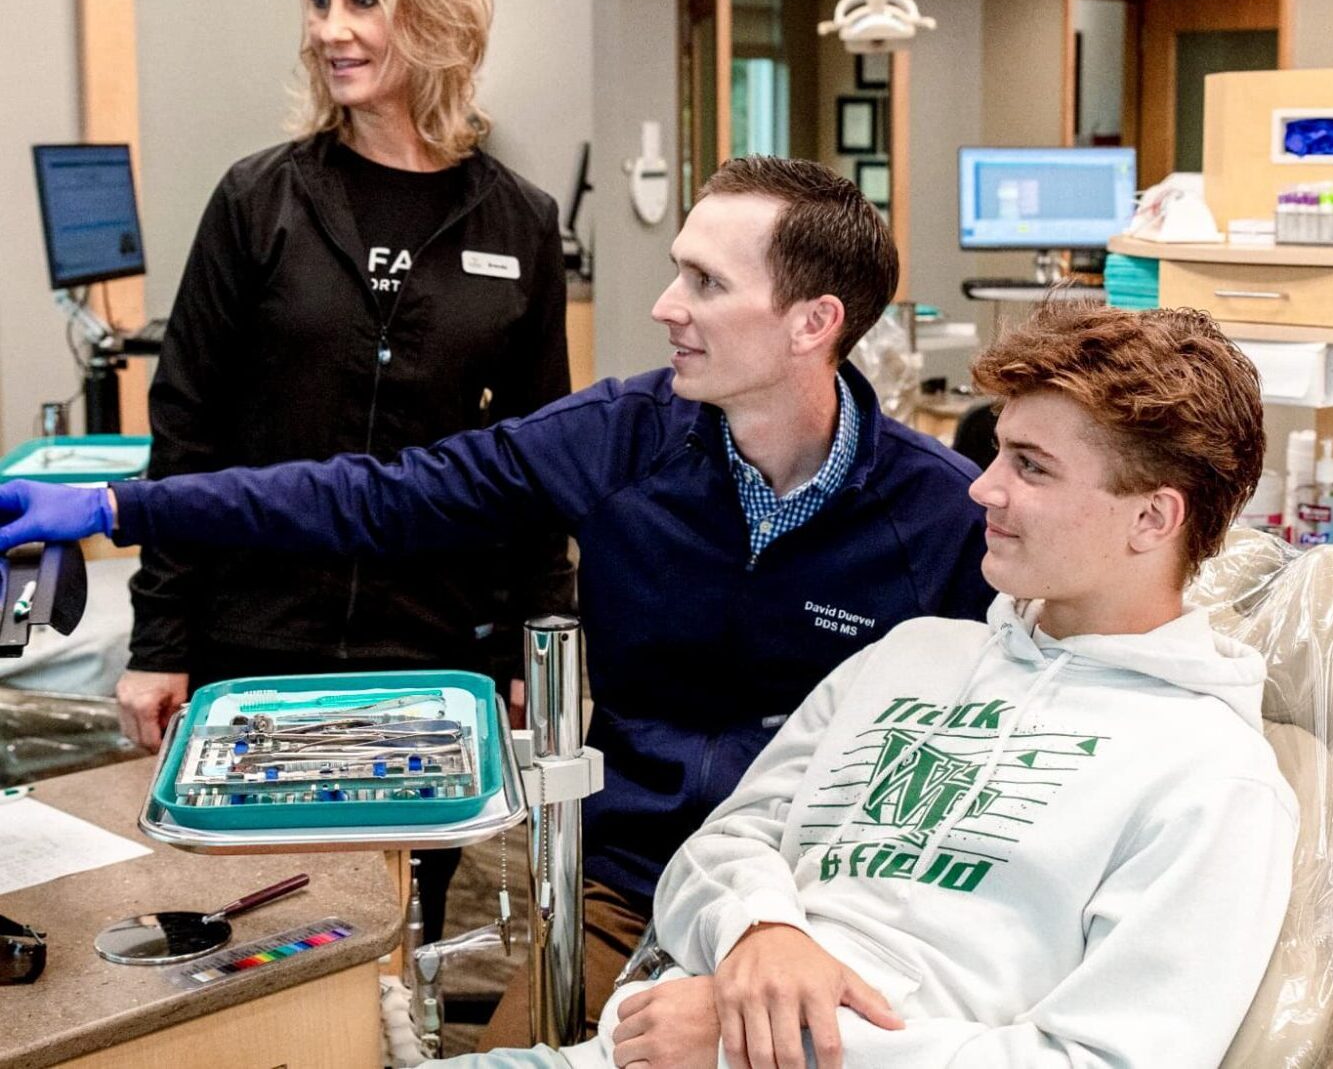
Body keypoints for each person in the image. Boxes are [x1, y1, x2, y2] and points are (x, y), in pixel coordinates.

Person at [0, 155, 991, 1036]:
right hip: (633, 889)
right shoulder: (618, 437)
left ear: (813, 323)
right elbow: (373, 497)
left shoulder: (941, 517)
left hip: (836, 901)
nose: (663, 305)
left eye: (704, 281)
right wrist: (115, 503)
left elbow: (988, 746)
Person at [443, 301, 1293, 1069]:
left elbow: (1101, 1060)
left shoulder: (1211, 777)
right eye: (997, 451)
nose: (981, 487)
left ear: (1153, 516)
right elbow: (719, 845)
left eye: (1030, 468)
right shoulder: (915, 654)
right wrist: (762, 931)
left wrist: (761, 1040)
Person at [116, 0, 573, 936]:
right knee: (258, 928)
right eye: (318, 1)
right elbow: (186, 426)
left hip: (433, 644)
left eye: (363, 0)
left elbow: (539, 455)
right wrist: (160, 635)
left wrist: (527, 645)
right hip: (256, 636)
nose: (332, 30)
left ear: (435, 13)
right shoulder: (256, 200)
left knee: (395, 925)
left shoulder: (519, 221)